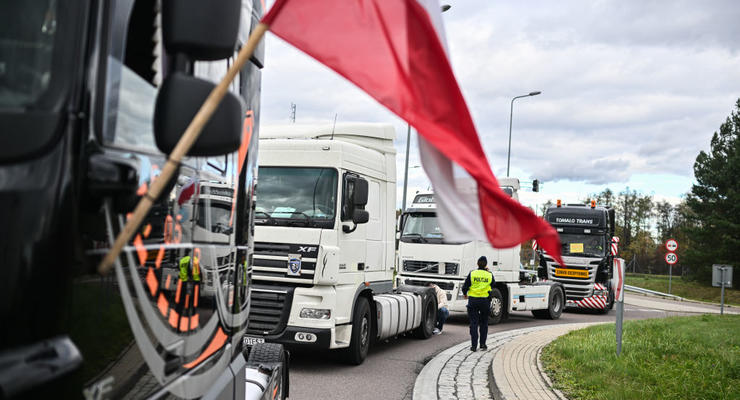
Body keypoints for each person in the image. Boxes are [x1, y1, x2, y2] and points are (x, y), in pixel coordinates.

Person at [462, 256, 494, 351]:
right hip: (484, 301)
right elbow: (493, 285)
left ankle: (473, 346)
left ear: (477, 263)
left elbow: (465, 286)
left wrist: (465, 294)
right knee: (484, 323)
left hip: (473, 301)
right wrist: (487, 272)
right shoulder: (489, 274)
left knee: (474, 323)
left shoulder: (472, 273)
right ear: (486, 264)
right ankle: (483, 344)